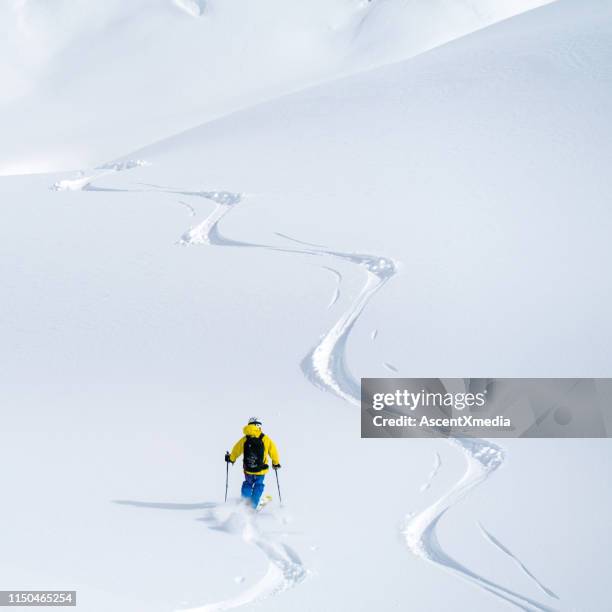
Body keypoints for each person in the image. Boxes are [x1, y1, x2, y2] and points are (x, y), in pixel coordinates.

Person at [225, 417, 281, 509]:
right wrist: (276, 463)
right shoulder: (265, 439)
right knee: (258, 486)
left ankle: (245, 502)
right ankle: (253, 505)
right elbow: (273, 451)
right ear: (259, 426)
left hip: (248, 470)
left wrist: (231, 458)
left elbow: (236, 450)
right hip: (261, 471)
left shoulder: (245, 439)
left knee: (247, 484)